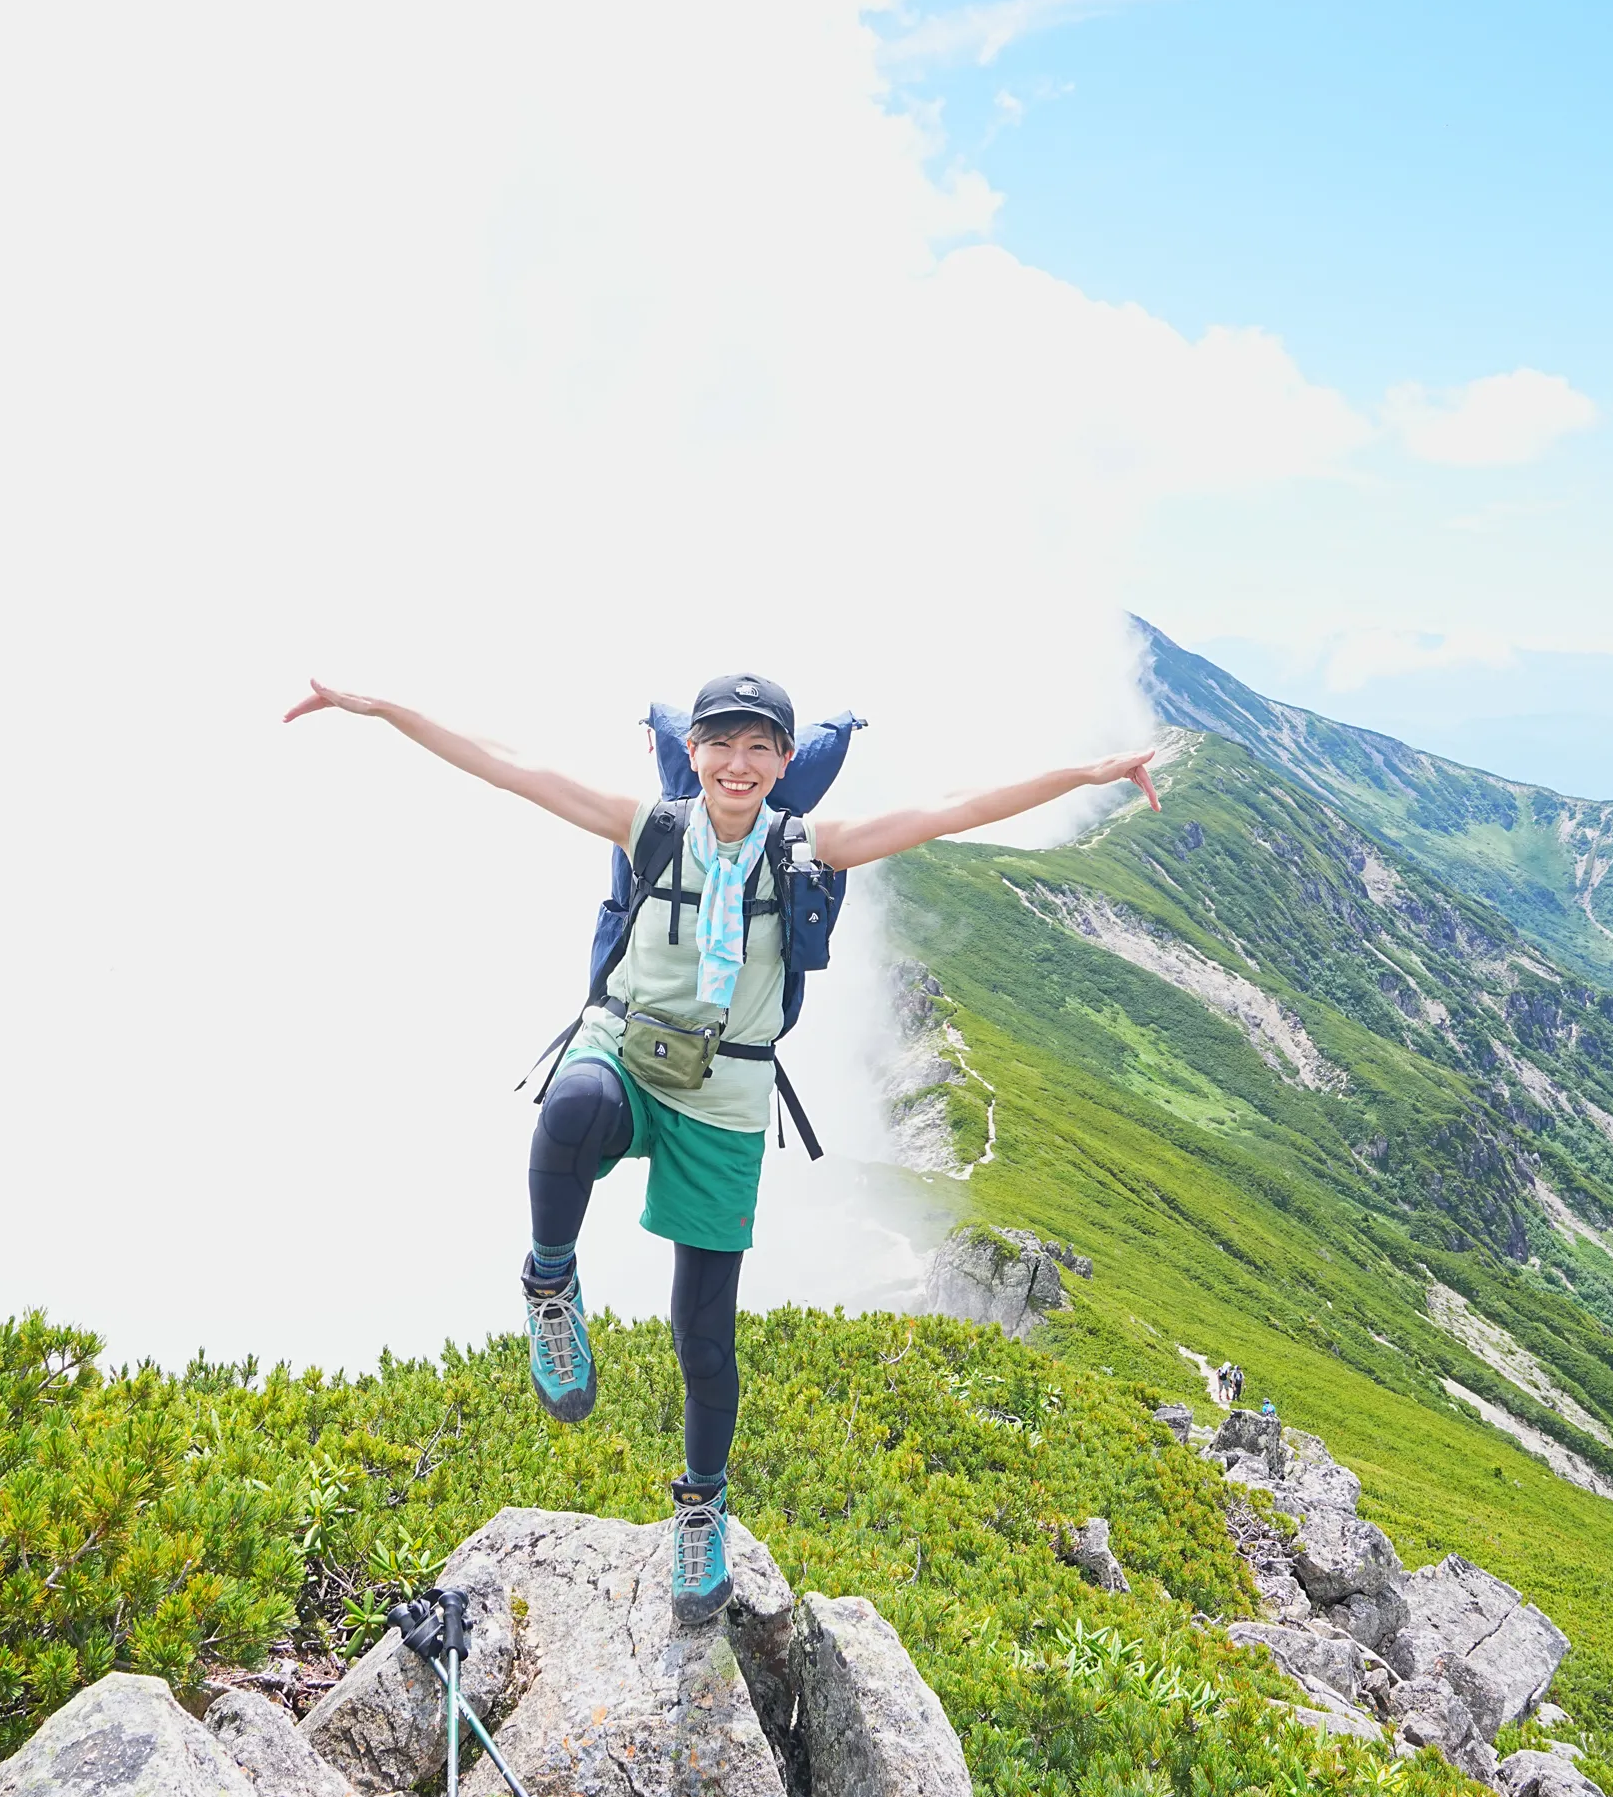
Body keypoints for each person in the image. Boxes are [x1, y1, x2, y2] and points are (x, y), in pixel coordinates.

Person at [284, 668, 1159, 1625]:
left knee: (703, 1334)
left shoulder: (805, 848)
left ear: (784, 762)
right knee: (571, 1105)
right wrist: (382, 708)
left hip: (727, 1097)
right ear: (692, 753)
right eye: (720, 744)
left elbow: (948, 811)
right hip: (626, 1046)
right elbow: (511, 769)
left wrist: (1087, 772)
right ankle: (550, 1287)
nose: (737, 765)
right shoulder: (649, 826)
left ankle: (701, 1509)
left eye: (758, 748)